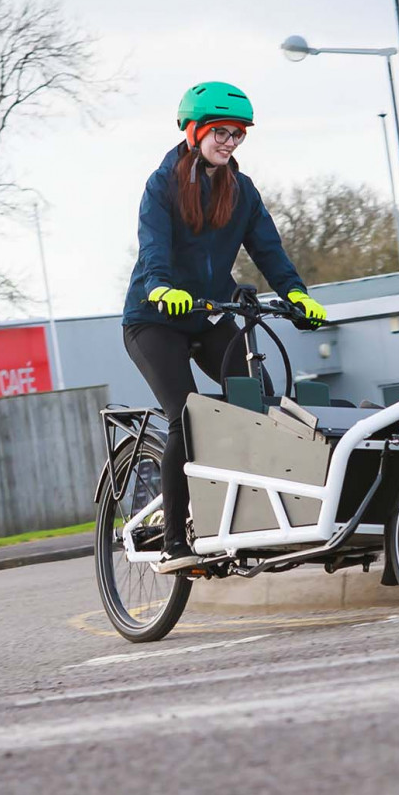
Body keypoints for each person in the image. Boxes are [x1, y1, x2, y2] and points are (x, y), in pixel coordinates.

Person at [122, 81, 327, 574]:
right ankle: (175, 542)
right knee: (185, 416)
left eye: (238, 134)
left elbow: (268, 249)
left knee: (258, 400)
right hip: (154, 320)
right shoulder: (162, 184)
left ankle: (259, 517)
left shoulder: (242, 189)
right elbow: (153, 247)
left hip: (208, 314)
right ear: (194, 131)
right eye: (221, 131)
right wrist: (160, 286)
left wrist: (295, 292)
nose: (230, 141)